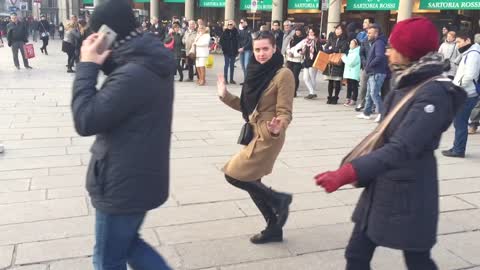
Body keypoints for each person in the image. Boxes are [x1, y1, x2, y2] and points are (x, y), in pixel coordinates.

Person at [315, 17, 466, 270]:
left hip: (411, 187)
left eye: (392, 47)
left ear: (409, 53)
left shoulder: (433, 92)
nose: (386, 51)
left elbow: (403, 146)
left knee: (417, 259)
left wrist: (349, 171)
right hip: (381, 181)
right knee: (356, 254)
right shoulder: (404, 80)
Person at [71, 1, 175, 269]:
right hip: (137, 175)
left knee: (108, 259)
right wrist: (103, 61)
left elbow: (85, 119)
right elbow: (123, 90)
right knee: (128, 245)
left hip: (121, 181)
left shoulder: (134, 73)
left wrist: (87, 65)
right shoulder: (147, 58)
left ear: (107, 33)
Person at [216, 31, 294, 245]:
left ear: (274, 48)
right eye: (257, 49)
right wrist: (225, 96)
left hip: (270, 135)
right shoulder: (255, 71)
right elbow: (247, 108)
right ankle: (273, 227)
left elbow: (285, 111)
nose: (261, 54)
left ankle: (280, 199)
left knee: (234, 174)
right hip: (254, 132)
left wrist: (279, 127)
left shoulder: (283, 74)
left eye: (265, 49)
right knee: (252, 180)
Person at [442, 32, 480, 158]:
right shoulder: (469, 53)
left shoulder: (473, 55)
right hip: (466, 92)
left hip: (467, 93)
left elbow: (470, 75)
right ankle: (457, 147)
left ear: (467, 40)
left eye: (459, 42)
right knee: (459, 122)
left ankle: (458, 150)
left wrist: (456, 86)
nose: (457, 45)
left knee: (460, 122)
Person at [356, 24, 388, 122]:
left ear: (376, 33)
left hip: (377, 72)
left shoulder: (379, 43)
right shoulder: (376, 42)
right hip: (373, 72)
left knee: (374, 93)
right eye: (367, 33)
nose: (368, 35)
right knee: (369, 94)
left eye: (370, 33)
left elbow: (379, 57)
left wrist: (369, 65)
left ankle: (382, 113)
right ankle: (366, 113)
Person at [323, 24, 349, 104]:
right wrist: (332, 50)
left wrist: (333, 49)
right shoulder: (331, 38)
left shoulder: (345, 40)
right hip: (330, 62)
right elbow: (326, 48)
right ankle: (329, 97)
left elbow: (343, 50)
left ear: (343, 30)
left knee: (337, 81)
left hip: (338, 62)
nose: (337, 31)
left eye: (339, 29)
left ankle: (336, 97)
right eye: (336, 29)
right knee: (330, 81)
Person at [355, 17, 375, 112]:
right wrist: (364, 62)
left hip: (375, 67)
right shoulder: (363, 38)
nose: (363, 23)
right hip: (365, 66)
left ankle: (372, 104)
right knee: (363, 86)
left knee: (373, 87)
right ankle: (361, 103)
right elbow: (361, 53)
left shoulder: (377, 39)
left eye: (365, 22)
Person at [300, 28, 322, 100]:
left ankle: (311, 92)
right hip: (306, 60)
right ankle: (312, 92)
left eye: (312, 32)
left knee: (312, 77)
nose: (310, 33)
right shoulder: (306, 40)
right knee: (305, 78)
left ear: (315, 33)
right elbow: (304, 49)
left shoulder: (317, 41)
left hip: (314, 61)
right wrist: (301, 51)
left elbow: (320, 51)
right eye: (309, 32)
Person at [286, 26, 305, 97]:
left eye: (298, 30)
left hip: (297, 61)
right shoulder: (292, 39)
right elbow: (287, 47)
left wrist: (294, 55)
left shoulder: (304, 40)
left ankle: (294, 91)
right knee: (289, 76)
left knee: (295, 76)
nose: (297, 32)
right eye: (296, 30)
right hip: (290, 60)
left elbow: (303, 51)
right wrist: (289, 53)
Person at [342, 39, 361, 106]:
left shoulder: (357, 53)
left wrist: (344, 58)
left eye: (352, 43)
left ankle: (354, 99)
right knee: (349, 86)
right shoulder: (350, 52)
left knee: (354, 86)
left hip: (354, 73)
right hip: (349, 72)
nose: (350, 45)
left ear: (356, 45)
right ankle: (348, 98)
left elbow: (350, 63)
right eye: (350, 43)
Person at [220, 20, 239, 85]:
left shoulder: (236, 32)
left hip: (233, 51)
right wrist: (224, 48)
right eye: (229, 24)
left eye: (231, 24)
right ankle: (225, 79)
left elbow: (238, 41)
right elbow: (221, 41)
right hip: (226, 51)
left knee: (232, 65)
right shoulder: (225, 32)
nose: (230, 26)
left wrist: (237, 49)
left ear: (233, 25)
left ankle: (231, 79)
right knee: (226, 65)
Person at [238, 18, 253, 84]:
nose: (241, 23)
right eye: (240, 22)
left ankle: (248, 81)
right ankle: (245, 80)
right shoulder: (240, 30)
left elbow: (250, 41)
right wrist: (239, 48)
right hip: (241, 50)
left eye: (242, 22)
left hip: (248, 50)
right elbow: (238, 40)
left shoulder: (250, 30)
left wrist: (244, 48)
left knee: (247, 65)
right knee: (243, 66)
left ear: (246, 22)